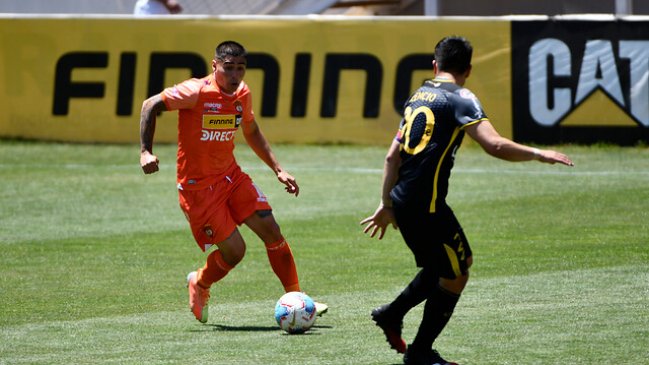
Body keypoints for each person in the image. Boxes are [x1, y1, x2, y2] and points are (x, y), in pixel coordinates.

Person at [360, 36, 573, 365]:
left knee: (451, 264)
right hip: (425, 206)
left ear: (435, 64)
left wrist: (387, 203)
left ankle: (395, 316)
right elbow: (495, 145)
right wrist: (538, 153)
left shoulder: (418, 95)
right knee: (455, 274)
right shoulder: (461, 98)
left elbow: (392, 157)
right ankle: (417, 351)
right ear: (468, 70)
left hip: (407, 200)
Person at [139, 40, 326, 324]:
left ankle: (299, 301)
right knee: (236, 252)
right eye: (228, 68)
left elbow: (250, 130)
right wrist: (145, 151)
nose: (235, 75)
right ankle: (200, 282)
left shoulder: (242, 93)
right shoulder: (195, 91)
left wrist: (278, 169)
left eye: (241, 68)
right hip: (198, 189)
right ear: (215, 66)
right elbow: (150, 104)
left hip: (231, 177)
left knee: (272, 231)